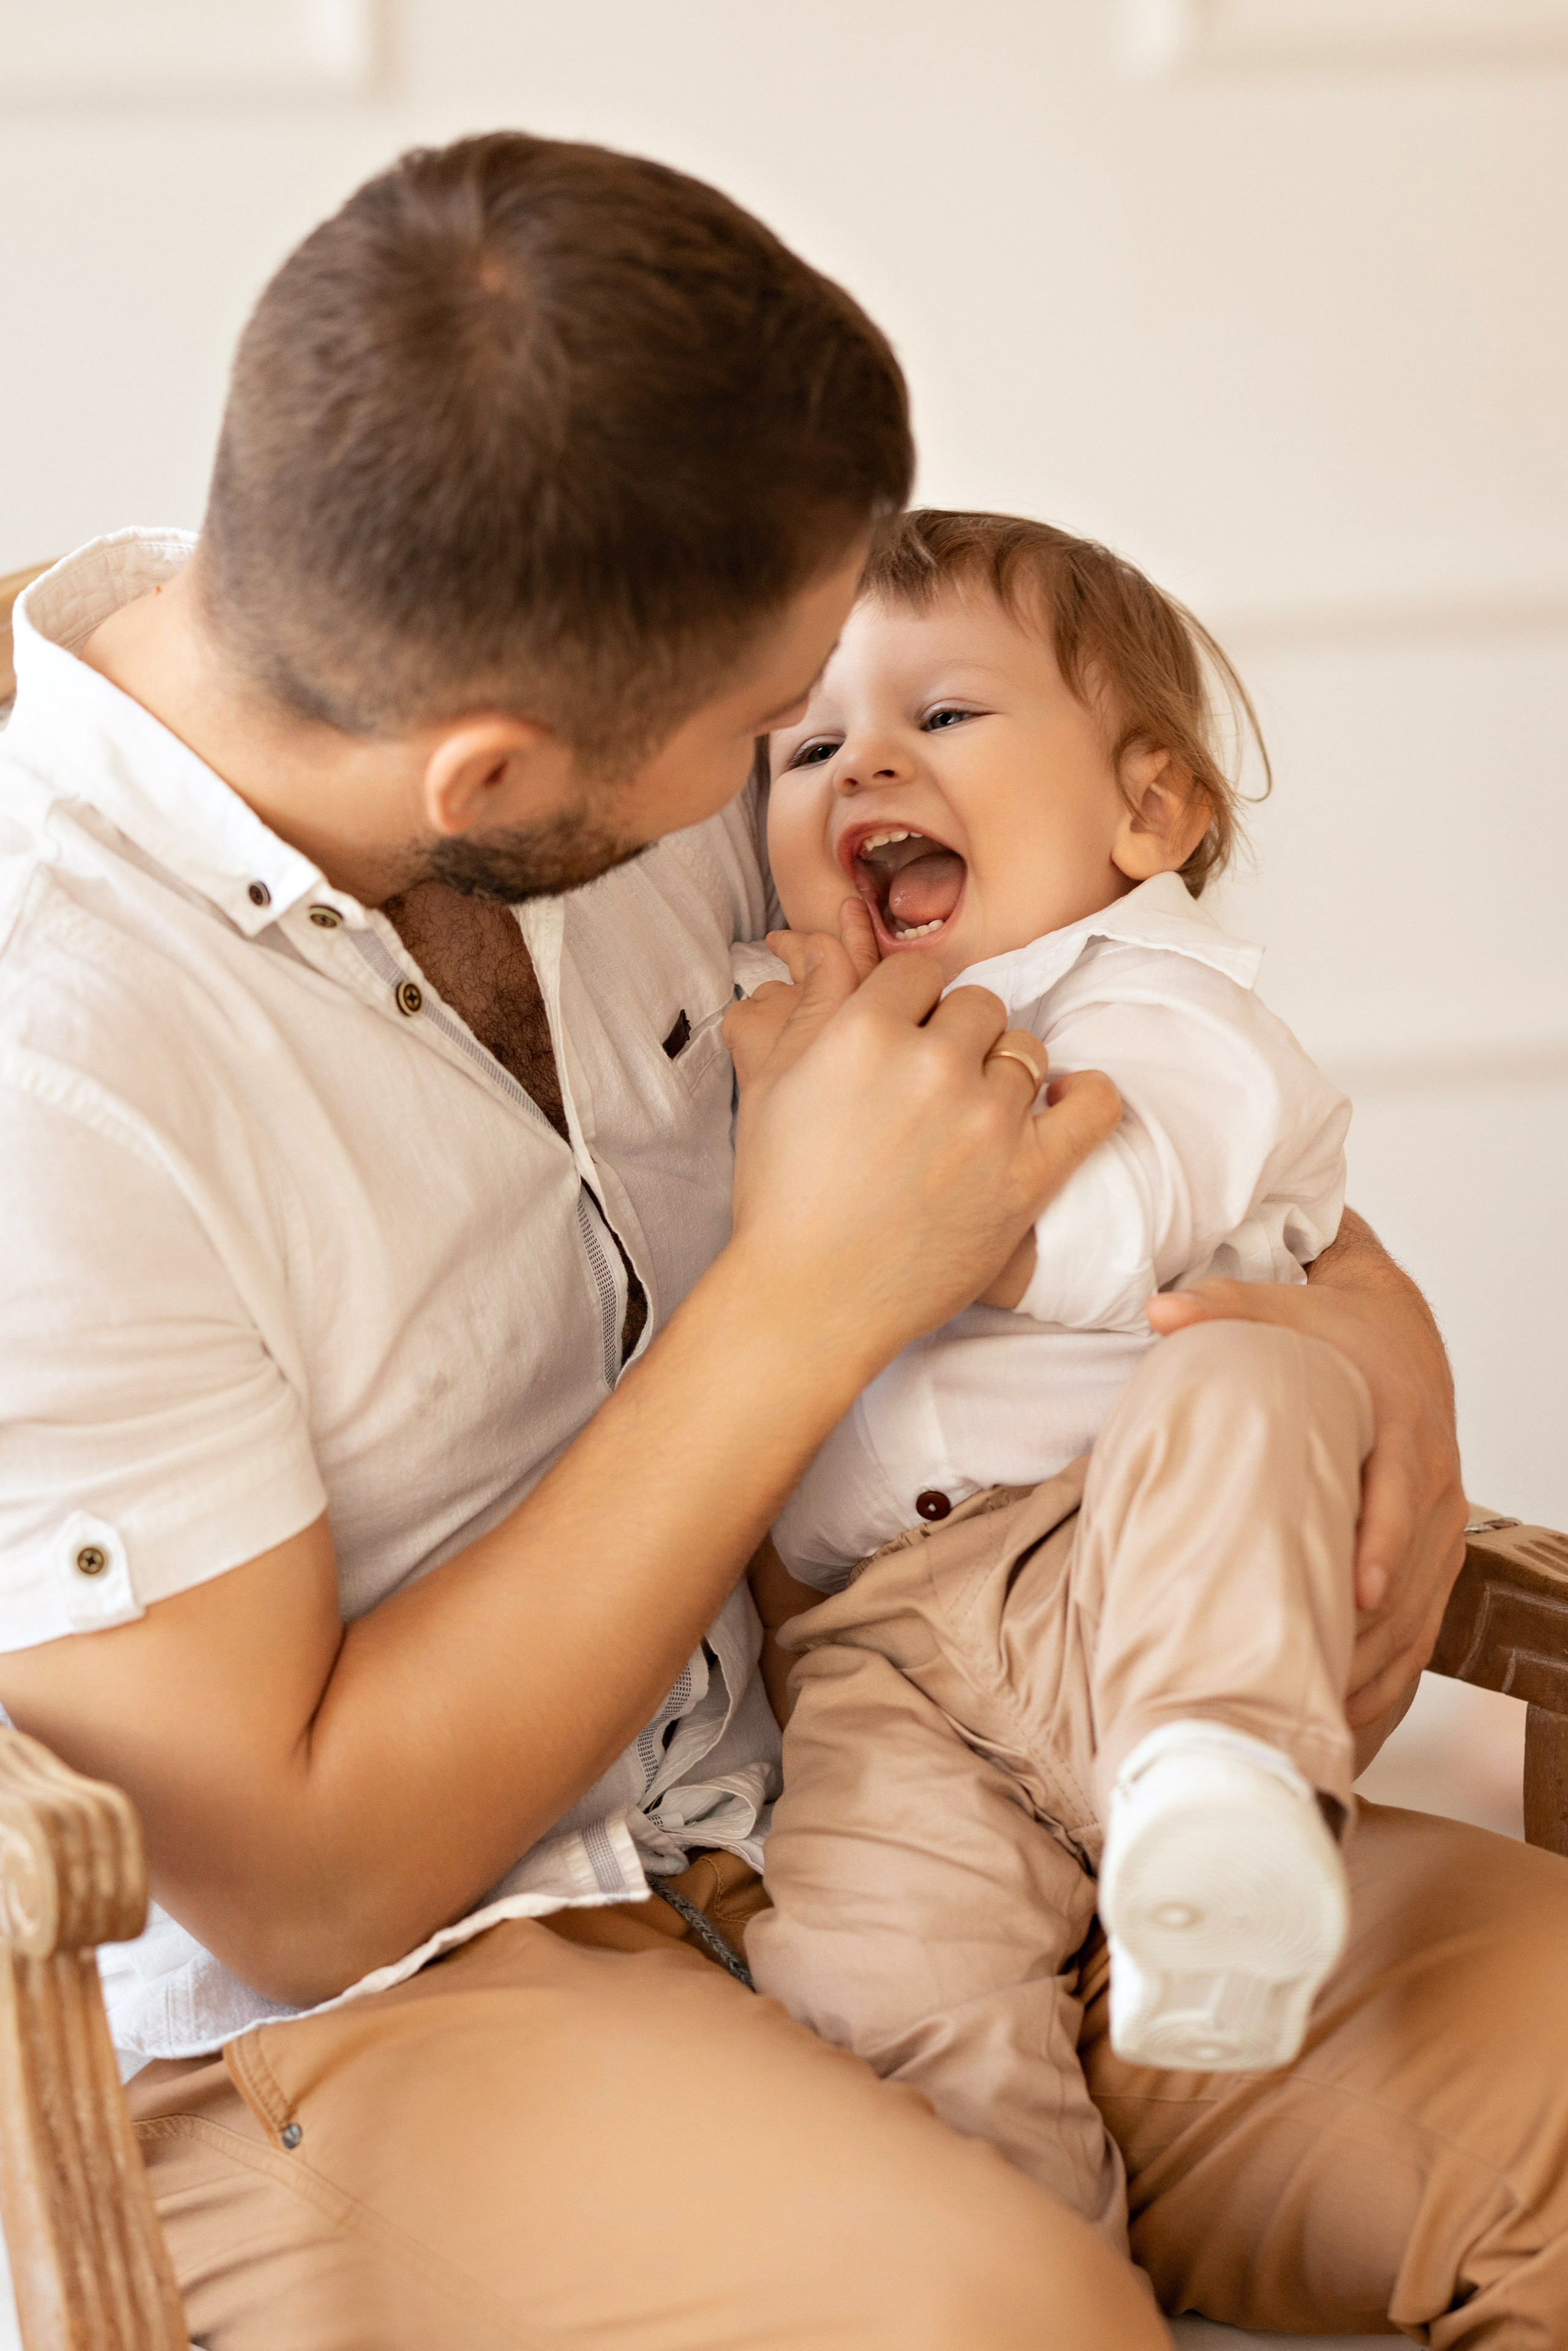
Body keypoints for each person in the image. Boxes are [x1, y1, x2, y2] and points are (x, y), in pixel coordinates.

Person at [0, 127, 1547, 2351]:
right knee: (996, 2326)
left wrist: (1358, 1312)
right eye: (767, 730)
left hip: (886, 1760)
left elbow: (1081, 1043)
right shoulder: (55, 1071)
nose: (808, 773)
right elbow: (305, 1870)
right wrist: (805, 1303)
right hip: (380, 1997)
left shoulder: (591, 671)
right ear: (495, 777)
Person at [736, 506, 1365, 2228]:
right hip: (885, 1657)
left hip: (1129, 1565)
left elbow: (1137, 1192)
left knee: (1251, 1385)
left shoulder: (1160, 998)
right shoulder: (789, 1016)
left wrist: (904, 1190)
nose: (867, 763)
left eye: (943, 719)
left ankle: (1219, 1809)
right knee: (877, 1996)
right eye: (809, 747)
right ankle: (1017, 2253)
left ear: (1148, 812)